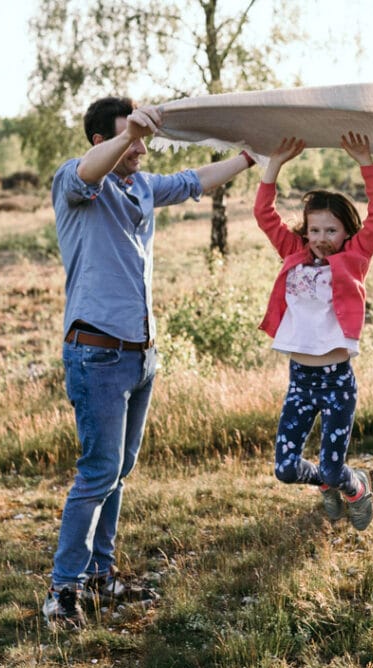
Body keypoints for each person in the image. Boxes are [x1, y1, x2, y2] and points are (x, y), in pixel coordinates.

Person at [43, 96, 258, 629]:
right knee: (97, 472)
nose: (140, 149)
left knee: (119, 471)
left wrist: (249, 160)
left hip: (141, 355)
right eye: (130, 138)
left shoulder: (139, 185)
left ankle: (100, 575)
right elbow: (85, 170)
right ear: (102, 141)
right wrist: (128, 134)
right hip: (96, 354)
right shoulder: (75, 181)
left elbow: (191, 181)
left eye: (142, 139)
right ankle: (62, 593)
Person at [253, 133, 373, 531]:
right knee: (284, 467)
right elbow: (265, 214)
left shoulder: (355, 258)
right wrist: (274, 165)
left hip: (337, 381)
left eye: (331, 231)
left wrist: (366, 161)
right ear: (305, 231)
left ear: (346, 233)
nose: (322, 240)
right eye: (315, 231)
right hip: (300, 378)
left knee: (333, 464)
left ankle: (354, 488)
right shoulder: (293, 253)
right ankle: (328, 484)